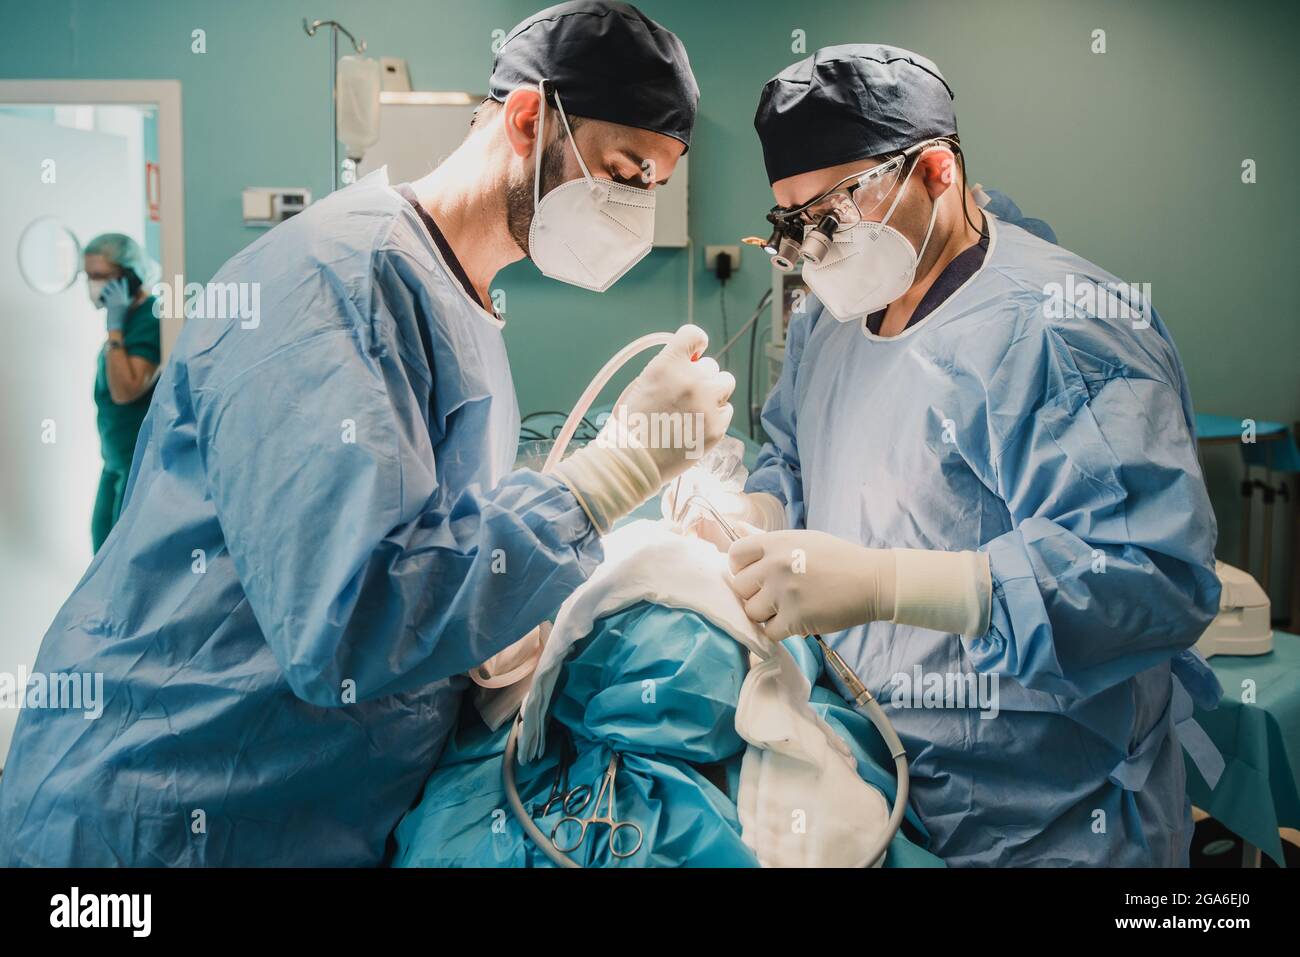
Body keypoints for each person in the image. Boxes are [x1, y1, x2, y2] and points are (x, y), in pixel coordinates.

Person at [0, 1, 732, 866]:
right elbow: (345, 620)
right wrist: (617, 468)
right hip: (156, 813)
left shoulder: (463, 310)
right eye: (624, 168)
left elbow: (434, 561)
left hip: (304, 813)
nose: (635, 206)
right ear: (531, 118)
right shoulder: (334, 281)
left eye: (655, 184)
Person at [711, 45, 1223, 866]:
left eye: (836, 209)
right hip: (882, 778)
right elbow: (794, 454)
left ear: (937, 172)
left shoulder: (1063, 330)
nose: (814, 245)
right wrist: (759, 512)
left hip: (1048, 816)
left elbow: (1150, 577)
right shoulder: (830, 320)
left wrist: (892, 584)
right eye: (794, 220)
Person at [82, 233, 161, 551]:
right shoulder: (127, 319)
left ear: (130, 276)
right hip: (113, 460)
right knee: (101, 548)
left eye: (101, 276)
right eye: (88, 276)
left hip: (135, 463)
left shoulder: (151, 318)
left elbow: (126, 390)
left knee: (119, 557)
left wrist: (114, 332)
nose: (93, 285)